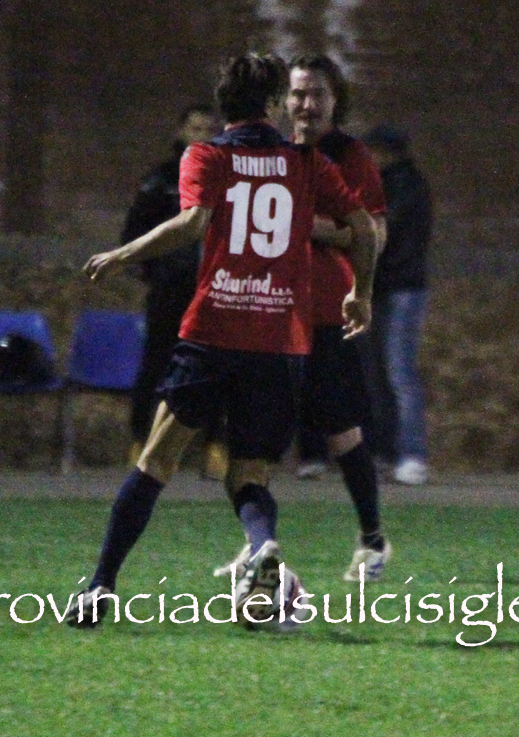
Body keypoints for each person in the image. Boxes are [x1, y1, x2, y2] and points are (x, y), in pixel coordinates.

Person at [70, 53, 377, 628]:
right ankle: (262, 545)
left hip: (214, 331)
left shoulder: (206, 155)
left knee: (157, 461)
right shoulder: (305, 162)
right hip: (279, 340)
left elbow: (191, 224)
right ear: (272, 104)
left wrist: (122, 252)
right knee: (249, 473)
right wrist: (360, 293)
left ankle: (100, 586)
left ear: (223, 105)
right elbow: (362, 227)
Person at [214, 53, 392, 582]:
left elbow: (373, 233)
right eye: (297, 93)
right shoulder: (276, 153)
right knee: (256, 440)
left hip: (324, 312)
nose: (305, 104)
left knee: (341, 432)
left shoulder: (349, 155)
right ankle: (257, 544)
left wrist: (309, 227)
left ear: (336, 100)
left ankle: (373, 540)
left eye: (316, 94)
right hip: (271, 312)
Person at [120, 104, 228, 478]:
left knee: (217, 369)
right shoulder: (162, 179)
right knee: (156, 366)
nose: (201, 135)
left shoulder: (228, 178)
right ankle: (140, 441)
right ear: (181, 132)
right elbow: (136, 231)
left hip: (217, 290)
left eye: (208, 129)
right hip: (171, 289)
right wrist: (155, 270)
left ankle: (216, 446)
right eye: (194, 128)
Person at [362, 125, 433, 485]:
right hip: (386, 287)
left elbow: (385, 235)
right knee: (381, 373)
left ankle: (412, 454)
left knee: (398, 372)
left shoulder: (405, 186)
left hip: (400, 287)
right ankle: (388, 452)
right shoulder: (388, 184)